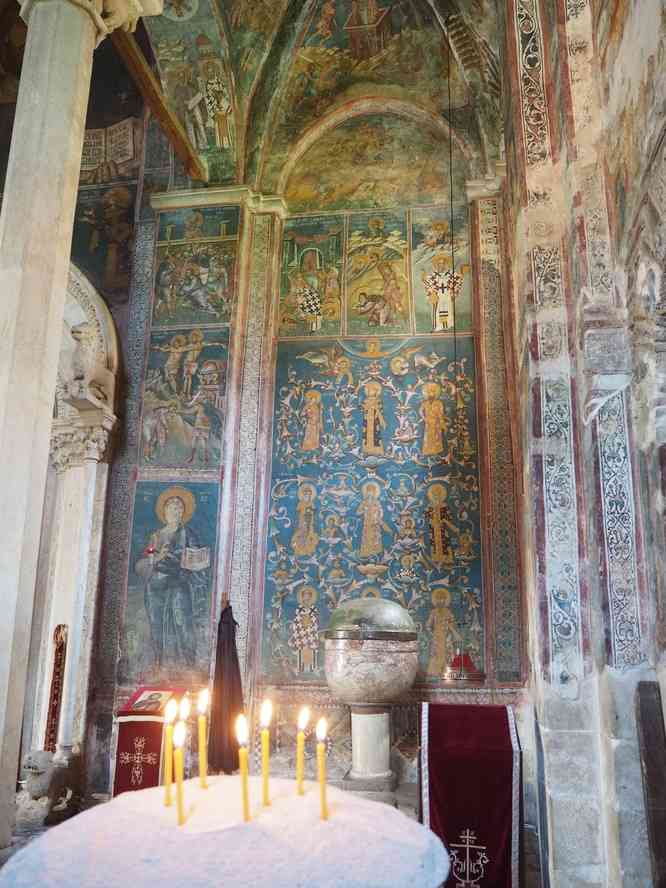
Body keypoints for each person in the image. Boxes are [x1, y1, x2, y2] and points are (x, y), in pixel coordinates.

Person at [135, 487, 209, 669]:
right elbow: (147, 558)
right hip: (156, 584)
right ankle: (158, 662)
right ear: (165, 511)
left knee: (182, 620)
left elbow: (196, 556)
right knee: (156, 622)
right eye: (172, 508)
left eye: (179, 509)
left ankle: (188, 664)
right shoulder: (156, 536)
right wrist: (159, 557)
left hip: (178, 581)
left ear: (183, 513)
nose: (176, 511)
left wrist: (191, 561)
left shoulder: (188, 534)